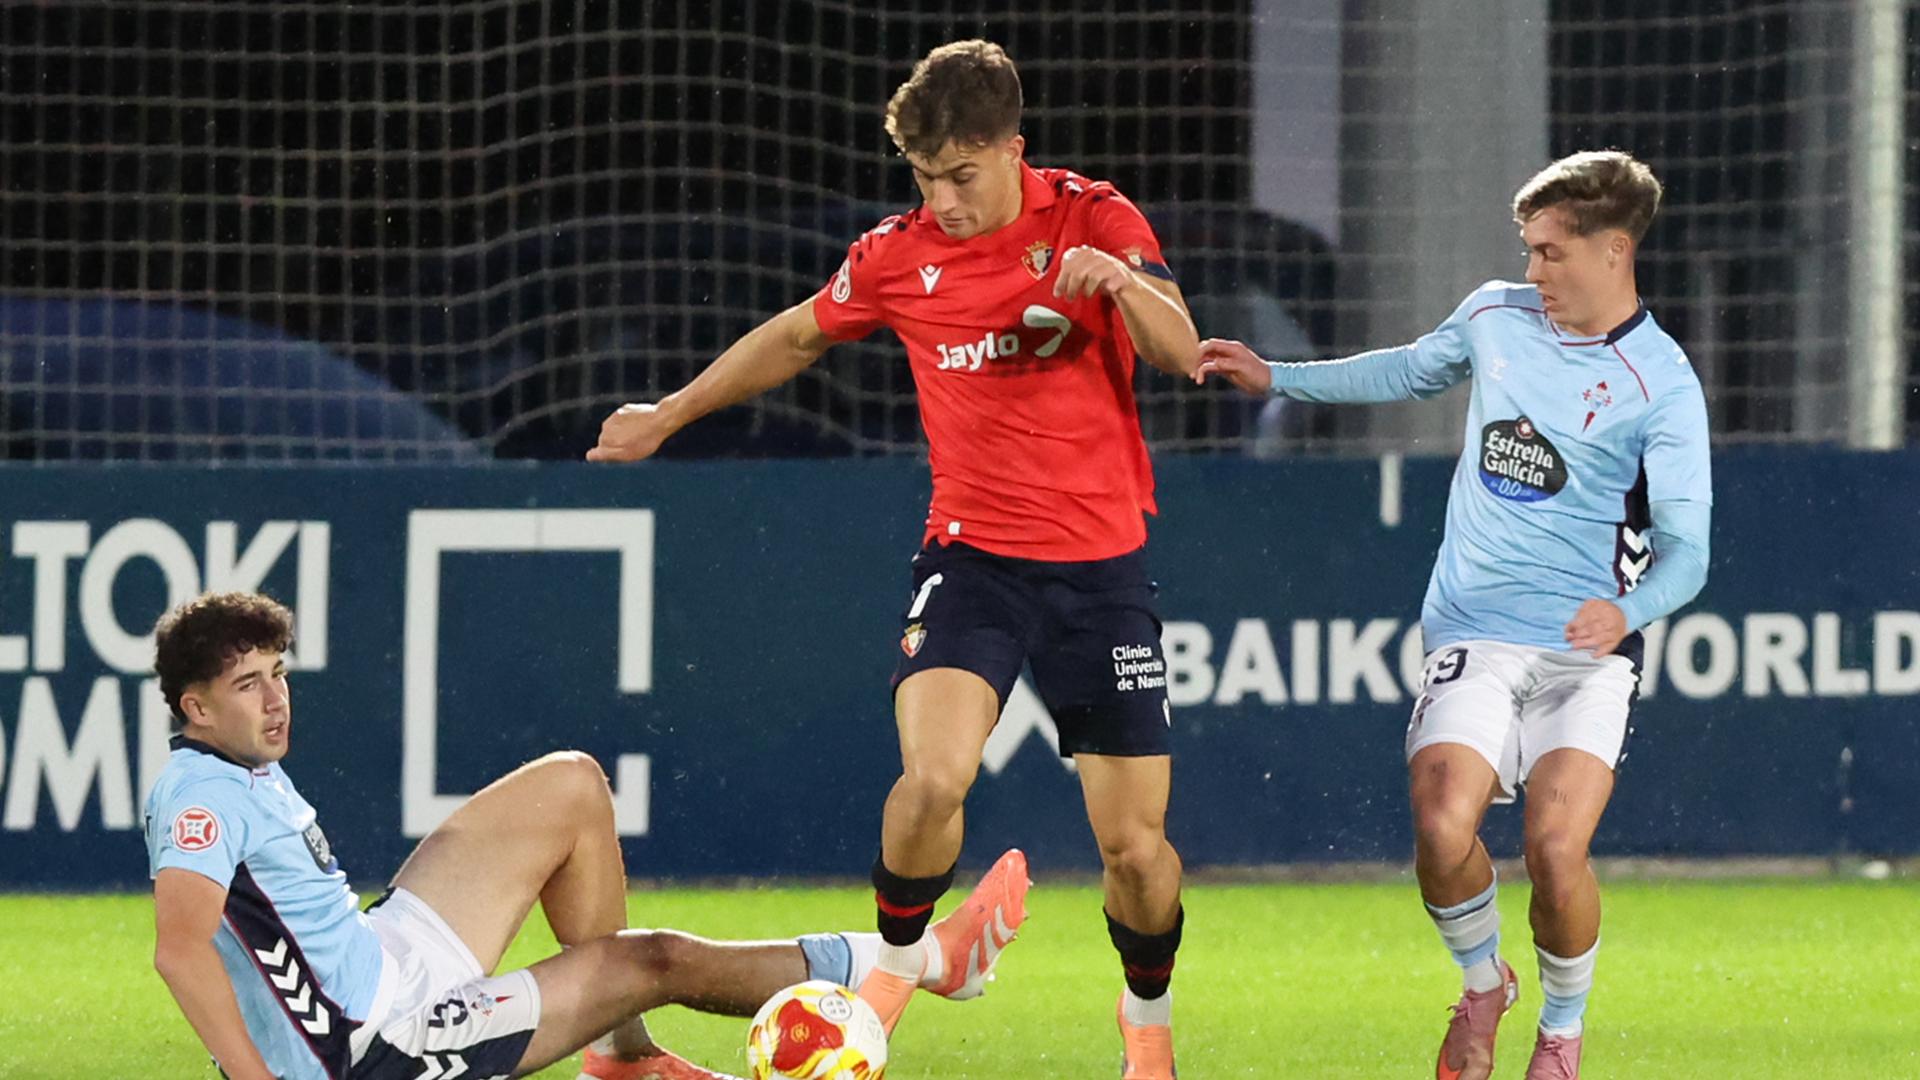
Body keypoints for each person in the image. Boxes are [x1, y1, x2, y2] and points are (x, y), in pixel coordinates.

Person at [587, 39, 1201, 1079]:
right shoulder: (896, 256)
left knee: (1136, 854)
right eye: (925, 180)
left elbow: (1182, 352)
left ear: (1014, 148)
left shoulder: (1095, 219)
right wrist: (671, 412)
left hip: (1101, 575)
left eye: (961, 176)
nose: (945, 202)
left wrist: (1122, 288)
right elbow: (795, 336)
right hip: (972, 563)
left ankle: (1147, 1019)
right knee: (931, 780)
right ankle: (901, 968)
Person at [1197, 150, 1710, 1080]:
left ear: (1614, 251)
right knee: (1441, 826)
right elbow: (1404, 371)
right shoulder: (1494, 316)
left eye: (1551, 252)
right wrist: (1280, 377)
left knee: (1555, 853)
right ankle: (1484, 984)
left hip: (1583, 653)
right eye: (1528, 250)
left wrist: (1628, 612)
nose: (1533, 271)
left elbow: (1691, 554)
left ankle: (1561, 1034)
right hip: (1473, 624)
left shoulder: (1661, 385)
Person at [145, 591, 1015, 1080]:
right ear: (195, 708)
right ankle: (924, 961)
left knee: (570, 784)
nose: (275, 699)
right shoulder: (197, 797)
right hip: (376, 1047)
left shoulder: (235, 767)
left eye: (278, 675)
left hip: (383, 957)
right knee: (652, 962)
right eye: (249, 685)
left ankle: (619, 1058)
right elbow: (181, 952)